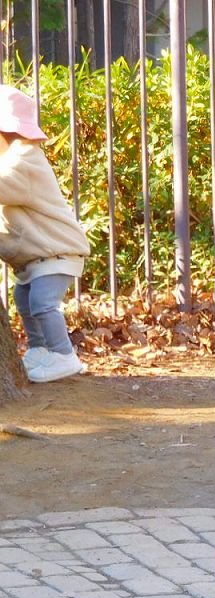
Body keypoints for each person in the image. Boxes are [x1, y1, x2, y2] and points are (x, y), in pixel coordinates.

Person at [0, 85, 91, 383]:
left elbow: (4, 186)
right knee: (24, 300)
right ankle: (41, 349)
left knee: (42, 303)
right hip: (37, 257)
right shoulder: (13, 158)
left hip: (56, 252)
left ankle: (64, 355)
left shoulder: (24, 160)